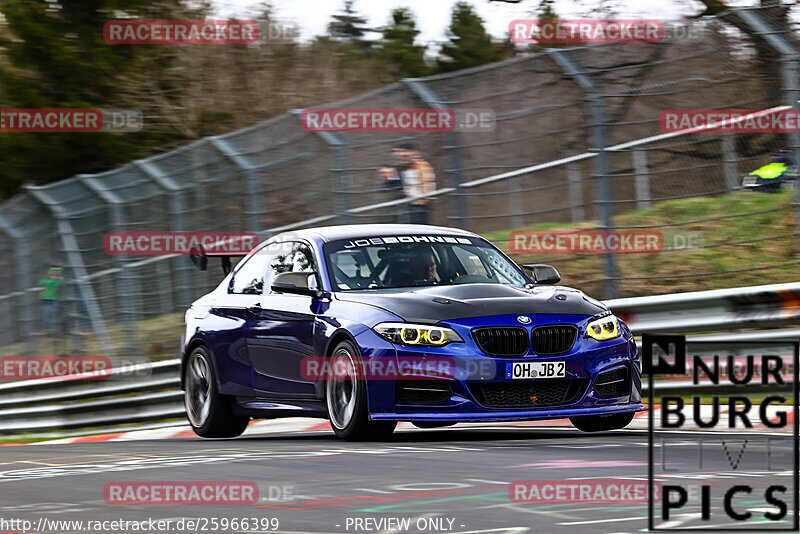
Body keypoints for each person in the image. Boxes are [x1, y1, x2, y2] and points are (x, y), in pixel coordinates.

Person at [392, 143, 436, 224]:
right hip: (407, 205)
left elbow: (427, 186)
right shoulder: (399, 168)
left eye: (402, 151)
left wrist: (420, 199)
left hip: (419, 206)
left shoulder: (421, 165)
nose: (399, 154)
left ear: (413, 152)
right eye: (396, 151)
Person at [38, 266, 63, 333]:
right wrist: (52, 279)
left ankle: (55, 329)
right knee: (47, 313)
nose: (56, 272)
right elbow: (40, 283)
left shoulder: (59, 279)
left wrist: (56, 278)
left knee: (54, 313)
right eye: (52, 271)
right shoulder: (45, 279)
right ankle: (48, 328)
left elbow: (61, 282)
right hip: (46, 299)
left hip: (55, 299)